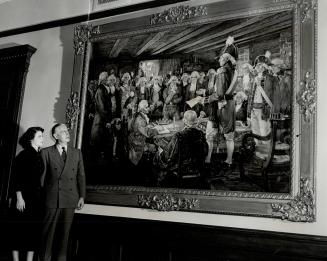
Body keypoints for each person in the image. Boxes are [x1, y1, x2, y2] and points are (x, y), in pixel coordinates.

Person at [39, 123, 86, 261]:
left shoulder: (77, 152)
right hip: (52, 199)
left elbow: (81, 176)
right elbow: (41, 178)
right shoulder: (46, 152)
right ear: (55, 136)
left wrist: (82, 196)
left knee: (64, 237)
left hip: (71, 199)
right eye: (63, 131)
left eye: (67, 131)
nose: (67, 133)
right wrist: (43, 197)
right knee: (47, 236)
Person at [9, 127, 44, 261]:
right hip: (23, 198)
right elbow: (16, 178)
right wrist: (19, 197)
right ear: (31, 139)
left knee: (33, 231)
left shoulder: (39, 155)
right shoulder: (23, 155)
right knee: (18, 231)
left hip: (36, 199)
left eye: (42, 136)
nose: (42, 139)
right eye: (40, 136)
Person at [156, 110, 208, 185]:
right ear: (195, 120)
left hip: (181, 168)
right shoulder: (201, 134)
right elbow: (205, 151)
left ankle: (159, 183)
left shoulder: (179, 136)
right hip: (196, 167)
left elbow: (170, 156)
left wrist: (161, 151)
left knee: (158, 156)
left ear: (184, 120)